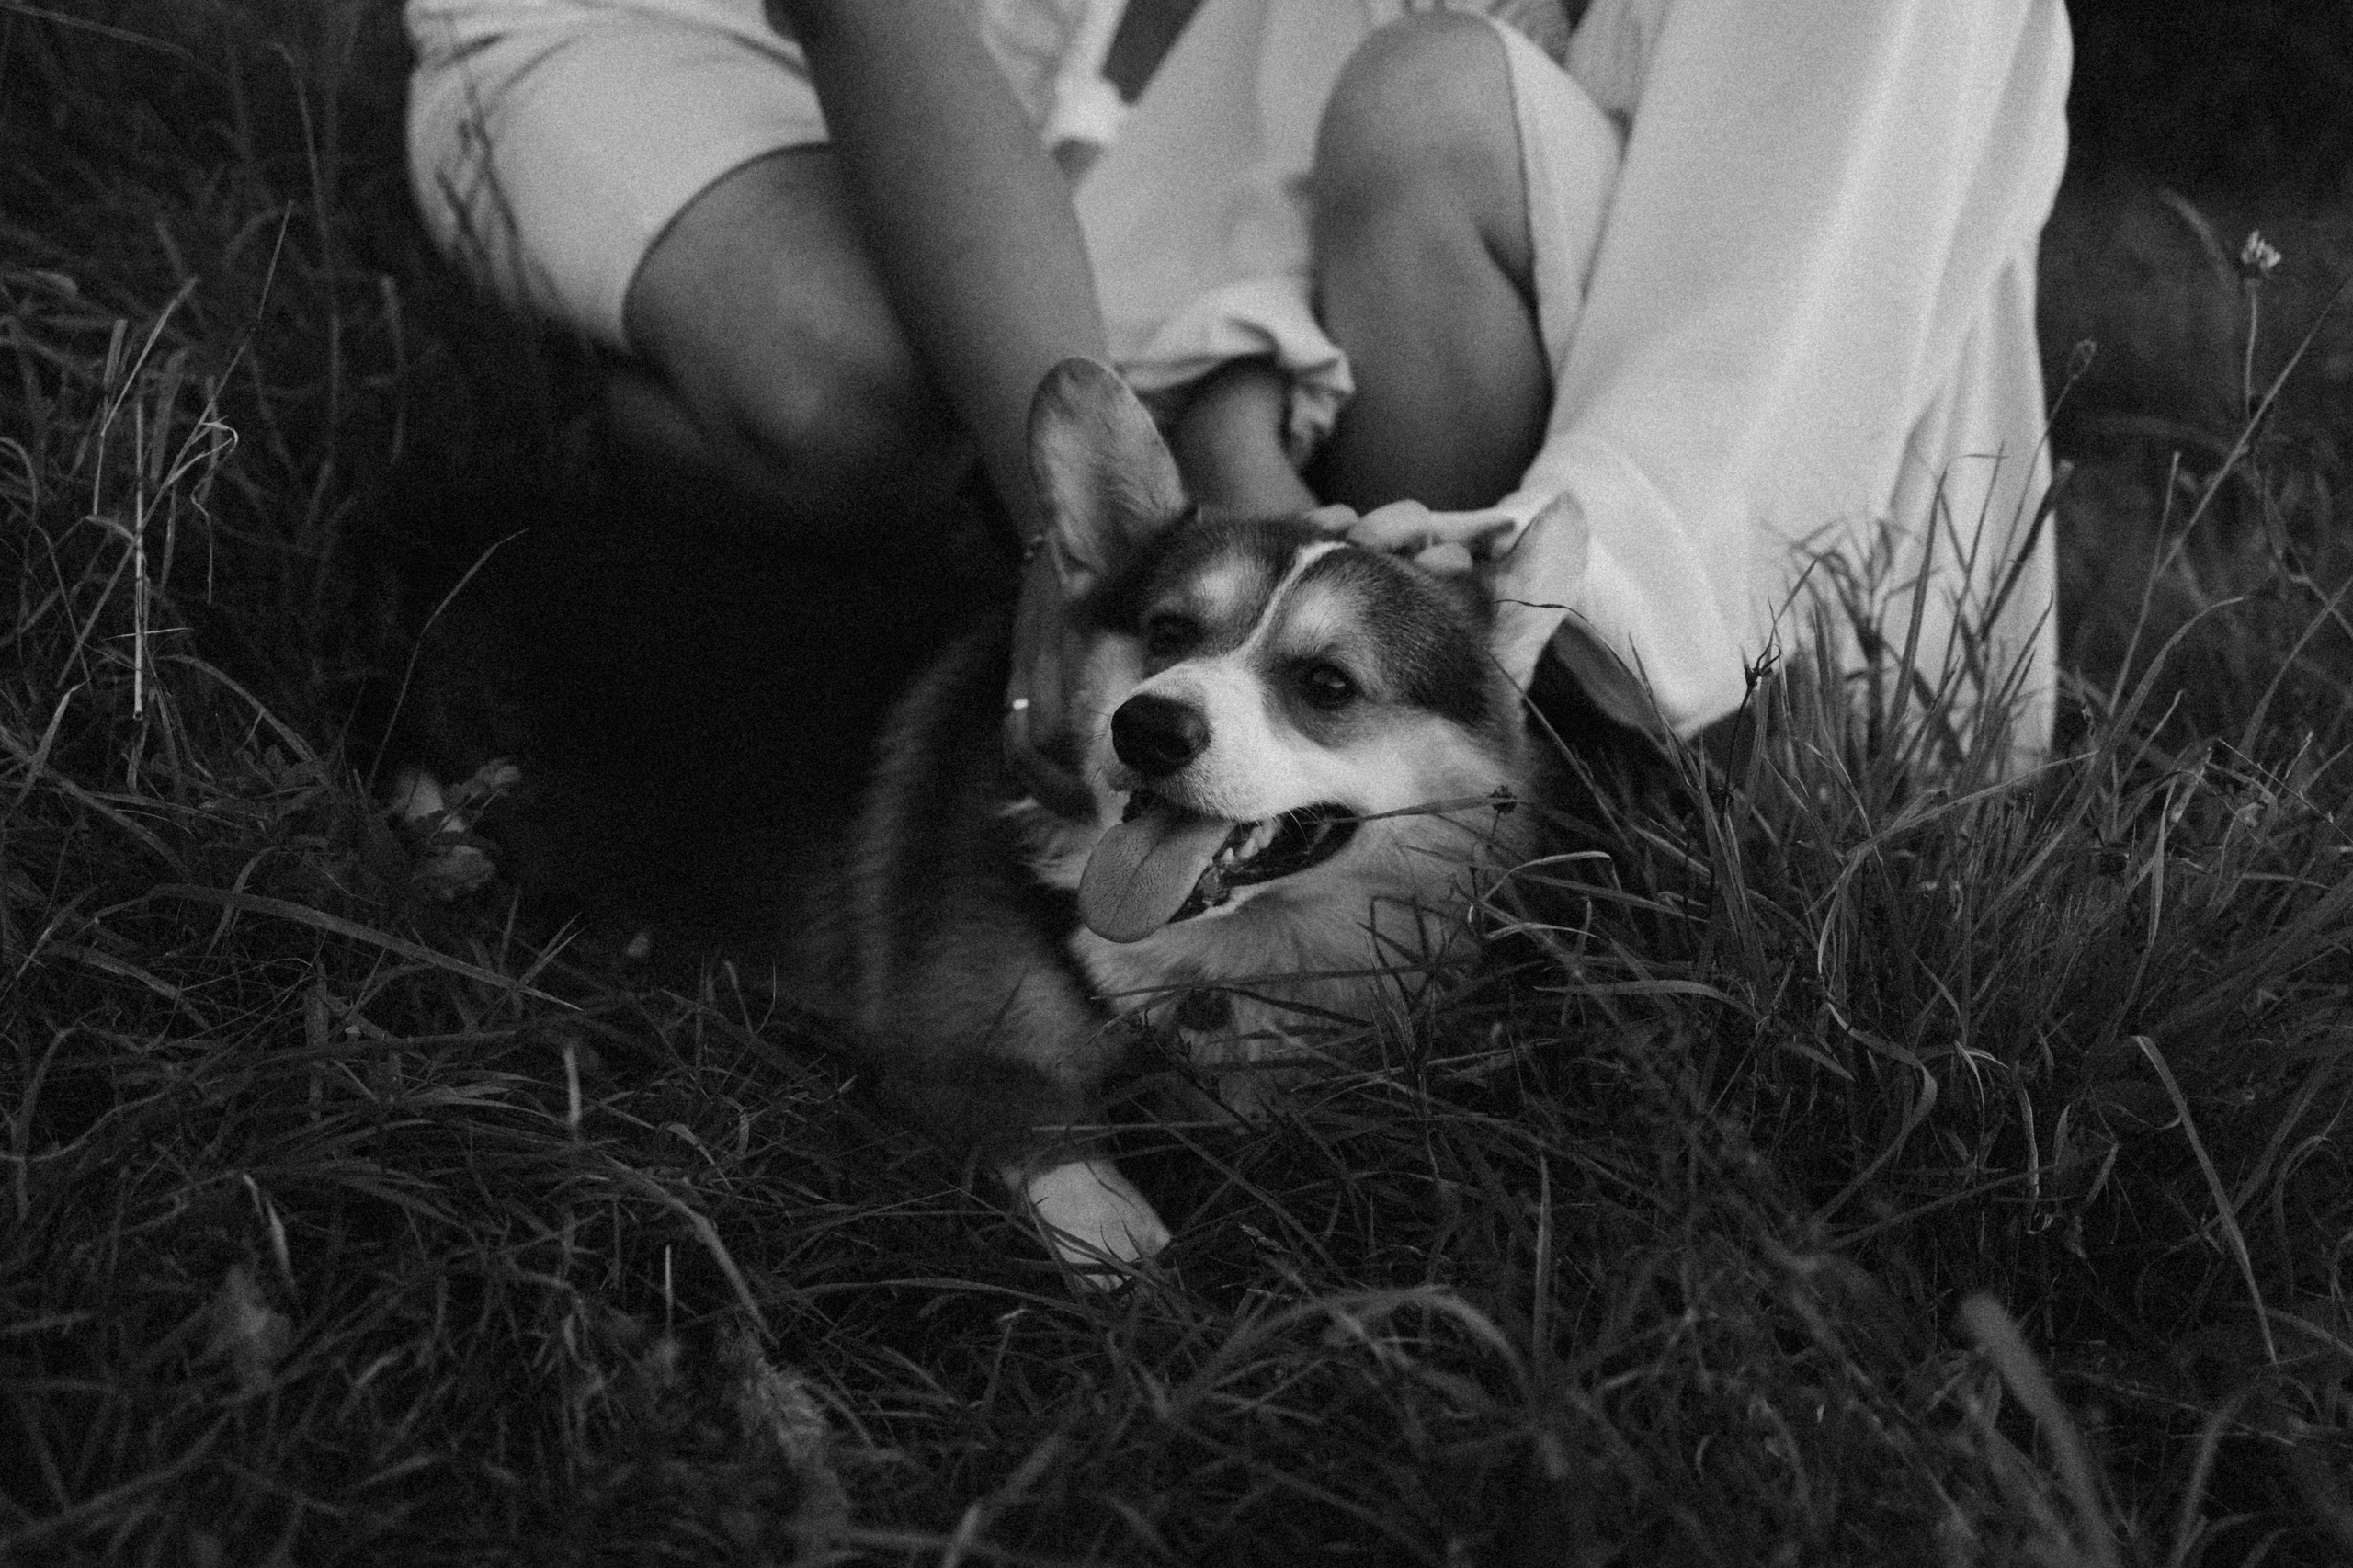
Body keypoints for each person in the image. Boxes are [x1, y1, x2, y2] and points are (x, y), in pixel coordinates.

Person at [404, 0, 2074, 808]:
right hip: (737, 51)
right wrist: (1230, 422)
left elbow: (1804, 311)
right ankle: (1435, 743)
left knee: (1426, 104)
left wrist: (1555, 571)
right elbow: (1269, 163)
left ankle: (1569, 735)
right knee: (1412, 95)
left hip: (1788, 593)